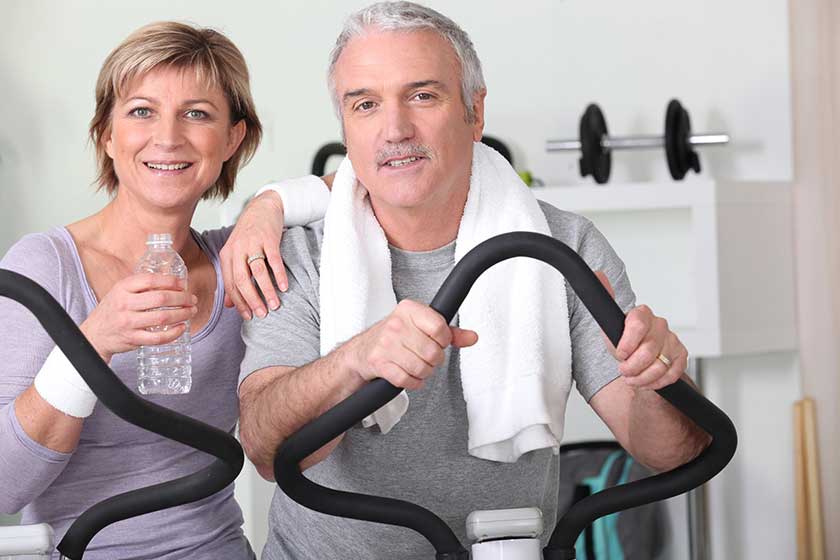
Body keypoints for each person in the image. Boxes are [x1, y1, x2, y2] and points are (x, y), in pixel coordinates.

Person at [231, 3, 710, 559]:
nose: (395, 129)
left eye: (423, 95)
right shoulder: (297, 253)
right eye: (365, 104)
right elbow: (266, 450)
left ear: (474, 112)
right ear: (345, 128)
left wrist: (657, 382)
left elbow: (670, 451)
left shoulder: (563, 246)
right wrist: (354, 360)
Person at [0, 21, 276, 559]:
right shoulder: (43, 268)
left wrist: (271, 204)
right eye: (141, 111)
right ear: (107, 133)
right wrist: (91, 342)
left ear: (232, 138)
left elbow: (369, 179)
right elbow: (4, 486)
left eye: (196, 114)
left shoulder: (237, 263)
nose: (168, 137)